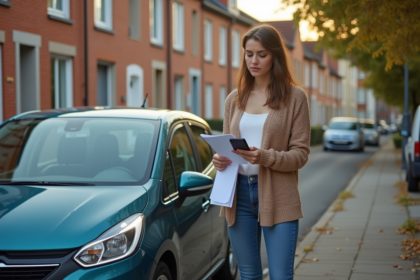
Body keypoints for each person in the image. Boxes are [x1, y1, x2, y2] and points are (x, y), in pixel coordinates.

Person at [212, 23, 310, 280]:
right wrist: (220, 160)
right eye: (249, 53)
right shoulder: (234, 99)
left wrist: (264, 156)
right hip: (239, 195)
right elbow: (228, 145)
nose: (253, 60)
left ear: (275, 56)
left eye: (261, 54)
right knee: (248, 274)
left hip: (279, 194)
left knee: (280, 276)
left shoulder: (295, 98)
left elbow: (300, 154)